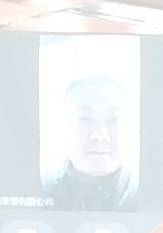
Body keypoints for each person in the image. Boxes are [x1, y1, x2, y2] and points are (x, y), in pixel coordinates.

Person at [45, 76, 138, 213]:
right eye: (85, 119)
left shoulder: (150, 193)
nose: (100, 135)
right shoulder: (37, 189)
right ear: (62, 125)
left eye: (114, 120)